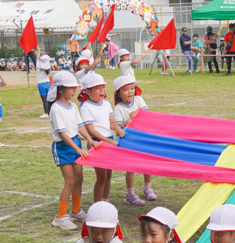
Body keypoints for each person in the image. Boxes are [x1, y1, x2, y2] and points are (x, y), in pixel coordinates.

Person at [48, 71, 98, 230]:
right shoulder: (56, 108)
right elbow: (63, 134)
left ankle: (76, 210)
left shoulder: (73, 106)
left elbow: (79, 125)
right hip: (63, 147)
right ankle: (60, 216)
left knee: (79, 179)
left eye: (74, 87)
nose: (74, 91)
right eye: (70, 88)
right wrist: (77, 148)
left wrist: (89, 140)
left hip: (76, 143)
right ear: (60, 89)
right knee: (69, 181)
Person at [112, 75, 155, 206]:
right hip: (129, 141)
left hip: (143, 137)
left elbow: (146, 114)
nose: (130, 92)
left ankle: (147, 188)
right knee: (130, 167)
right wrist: (126, 123)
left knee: (147, 163)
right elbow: (118, 126)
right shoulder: (118, 108)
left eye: (132, 88)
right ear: (118, 93)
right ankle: (130, 194)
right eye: (125, 90)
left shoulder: (139, 100)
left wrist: (137, 115)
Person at [79, 72, 122, 203]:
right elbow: (91, 131)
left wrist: (118, 128)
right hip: (97, 144)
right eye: (97, 88)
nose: (102, 91)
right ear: (88, 91)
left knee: (109, 176)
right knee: (101, 177)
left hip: (110, 141)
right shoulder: (86, 107)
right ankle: (97, 205)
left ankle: (105, 201)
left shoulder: (106, 104)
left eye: (103, 87)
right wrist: (108, 141)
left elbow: (111, 122)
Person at [34, 51, 52, 117]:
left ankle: (46, 113)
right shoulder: (48, 68)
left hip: (41, 84)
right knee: (49, 99)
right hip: (47, 83)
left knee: (44, 99)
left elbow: (37, 57)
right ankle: (50, 112)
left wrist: (38, 50)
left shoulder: (38, 66)